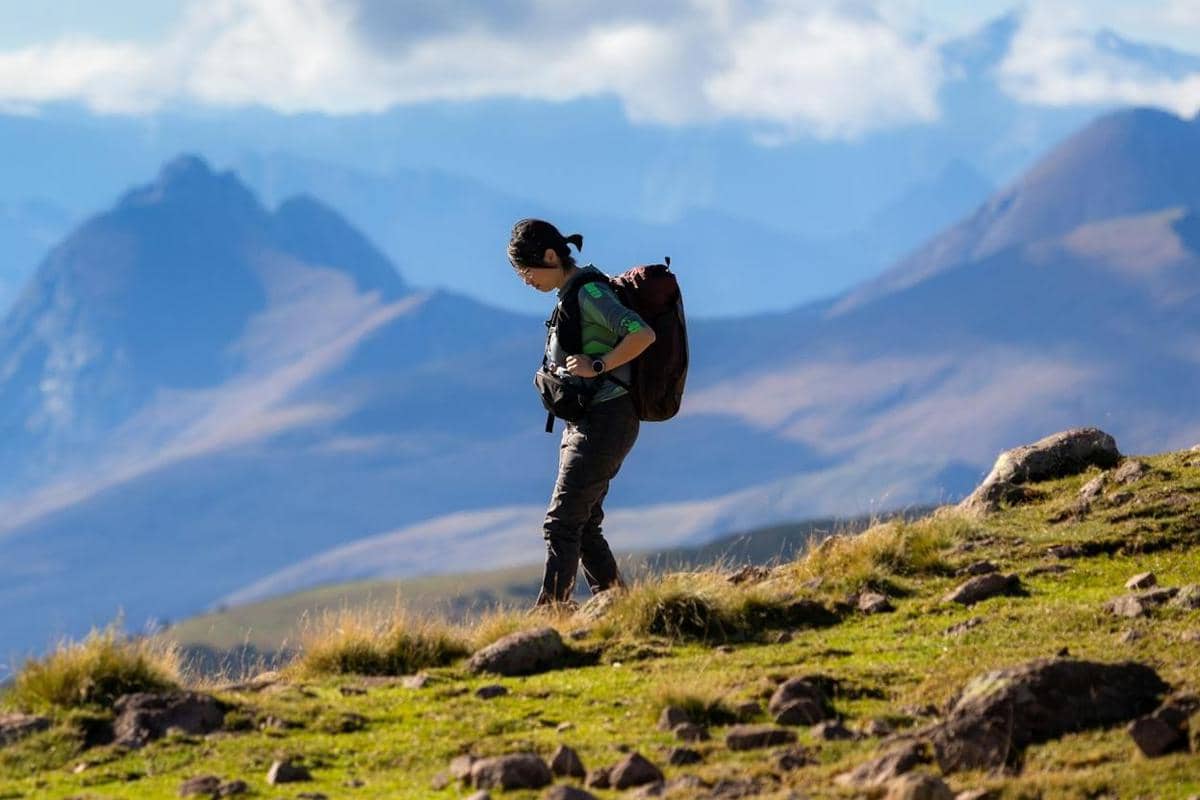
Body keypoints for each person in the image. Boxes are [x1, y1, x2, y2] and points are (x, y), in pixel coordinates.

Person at [508, 219, 657, 607]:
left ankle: (552, 614)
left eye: (527, 270)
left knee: (561, 524)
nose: (525, 281)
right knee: (584, 524)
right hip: (589, 420)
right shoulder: (569, 294)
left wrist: (599, 365)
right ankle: (619, 608)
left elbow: (642, 333)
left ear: (551, 256)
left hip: (607, 419)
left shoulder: (589, 292)